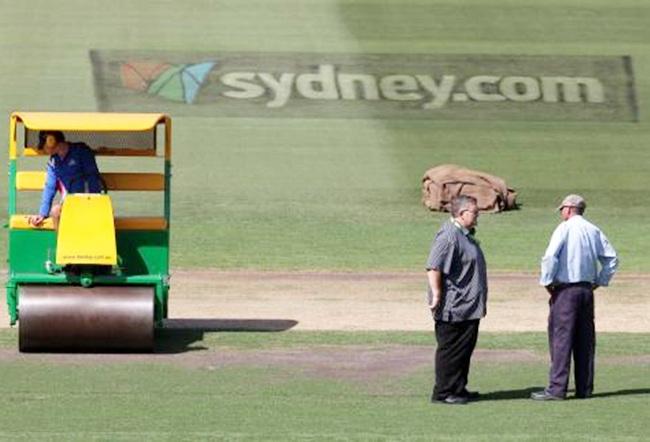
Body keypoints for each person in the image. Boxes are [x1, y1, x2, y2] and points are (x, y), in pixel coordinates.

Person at [531, 194, 618, 401]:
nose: (562, 213)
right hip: (586, 291)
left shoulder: (564, 228)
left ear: (569, 209)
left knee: (561, 339)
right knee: (585, 339)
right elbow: (611, 258)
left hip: (566, 290)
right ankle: (584, 388)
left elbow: (550, 257)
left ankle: (557, 389)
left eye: (562, 209)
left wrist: (547, 281)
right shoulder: (593, 229)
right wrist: (600, 280)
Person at [426, 194, 488, 405]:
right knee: (451, 350)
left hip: (469, 307)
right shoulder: (449, 236)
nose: (478, 215)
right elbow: (434, 266)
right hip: (454, 307)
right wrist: (436, 293)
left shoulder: (465, 234)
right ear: (462, 213)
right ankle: (443, 392)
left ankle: (458, 388)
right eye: (475, 212)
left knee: (464, 349)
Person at [28, 130, 103, 229]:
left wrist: (93, 202)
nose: (43, 149)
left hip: (87, 201)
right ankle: (61, 243)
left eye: (44, 144)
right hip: (68, 203)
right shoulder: (53, 162)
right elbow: (50, 187)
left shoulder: (82, 152)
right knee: (55, 211)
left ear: (51, 141)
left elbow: (93, 177)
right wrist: (42, 213)